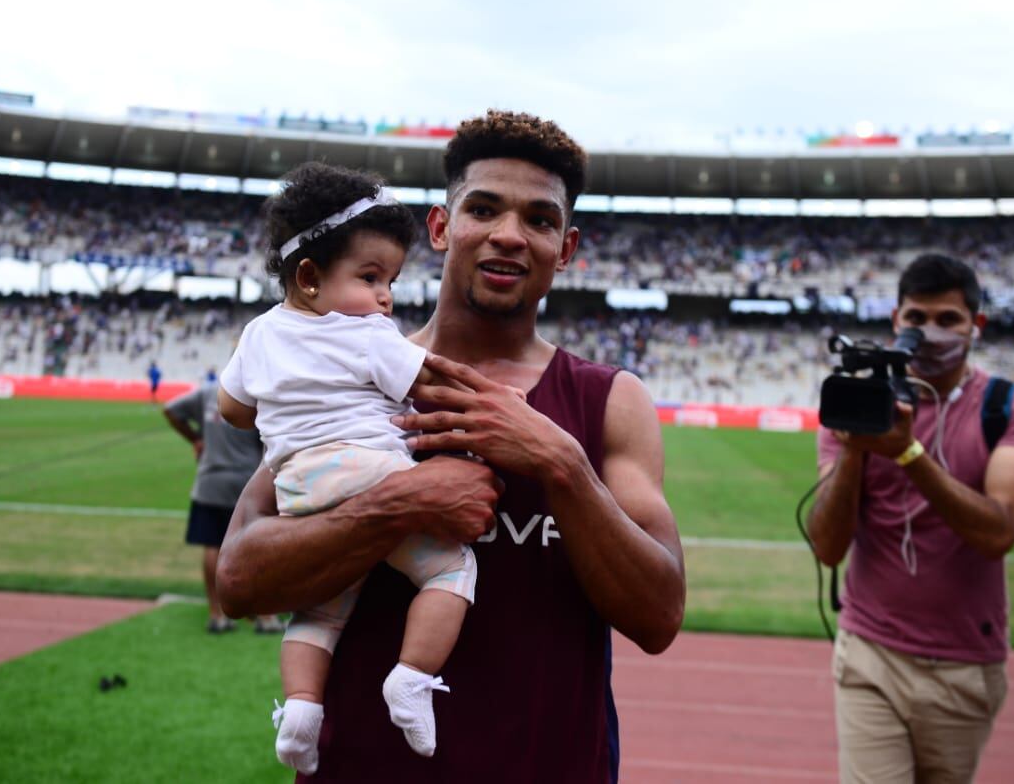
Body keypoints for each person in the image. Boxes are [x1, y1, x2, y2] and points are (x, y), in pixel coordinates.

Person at [217, 110, 685, 783]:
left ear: (568, 246)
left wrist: (561, 464)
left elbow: (660, 614)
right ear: (441, 227)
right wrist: (398, 502)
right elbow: (238, 578)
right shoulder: (345, 370)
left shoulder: (608, 401)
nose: (508, 235)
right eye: (485, 208)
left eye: (540, 220)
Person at [217, 162, 483, 774]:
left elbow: (233, 410)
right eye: (371, 277)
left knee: (319, 609)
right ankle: (412, 678)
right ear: (308, 276)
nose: (385, 295)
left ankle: (304, 712)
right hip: (368, 469)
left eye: (389, 279)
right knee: (452, 570)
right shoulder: (369, 333)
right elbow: (435, 386)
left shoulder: (257, 334)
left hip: (296, 489)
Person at [808, 254, 1014, 783]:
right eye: (917, 319)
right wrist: (856, 446)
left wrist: (907, 454)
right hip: (868, 650)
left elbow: (998, 532)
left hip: (965, 662)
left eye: (949, 320)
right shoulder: (856, 400)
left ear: (976, 326)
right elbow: (827, 547)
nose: (930, 333)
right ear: (897, 320)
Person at [162, 377, 284, 634]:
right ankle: (264, 616)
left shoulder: (208, 393)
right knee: (258, 547)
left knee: (212, 545)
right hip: (248, 483)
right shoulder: (259, 395)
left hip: (210, 481)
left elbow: (170, 410)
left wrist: (195, 439)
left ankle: (217, 614)